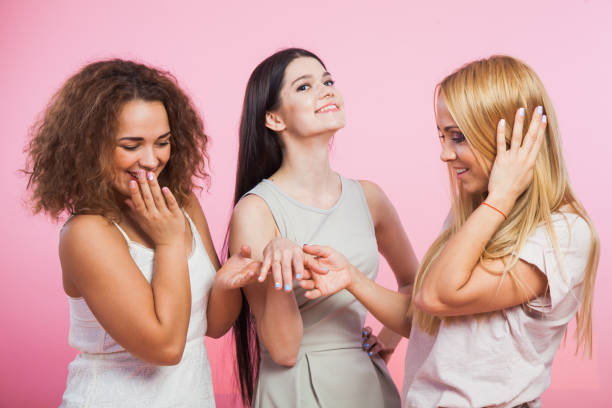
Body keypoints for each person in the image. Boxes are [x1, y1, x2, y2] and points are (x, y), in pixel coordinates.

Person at [299, 55, 600, 407]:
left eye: (457, 137)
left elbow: (440, 296)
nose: (445, 154)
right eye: (441, 136)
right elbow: (428, 319)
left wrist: (500, 198)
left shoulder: (562, 234)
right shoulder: (477, 217)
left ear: (510, 139)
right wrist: (351, 278)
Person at [23, 59, 261, 407]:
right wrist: (168, 243)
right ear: (91, 148)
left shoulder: (181, 203)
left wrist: (227, 281)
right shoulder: (87, 233)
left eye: (162, 142)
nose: (151, 160)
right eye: (132, 146)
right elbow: (164, 347)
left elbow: (211, 326)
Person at [228, 48, 418, 407]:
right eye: (304, 87)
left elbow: (415, 287)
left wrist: (389, 339)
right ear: (273, 119)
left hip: (366, 385)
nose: (327, 90)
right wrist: (279, 263)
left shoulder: (369, 197)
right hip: (295, 386)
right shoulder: (255, 211)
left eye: (328, 81)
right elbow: (283, 351)